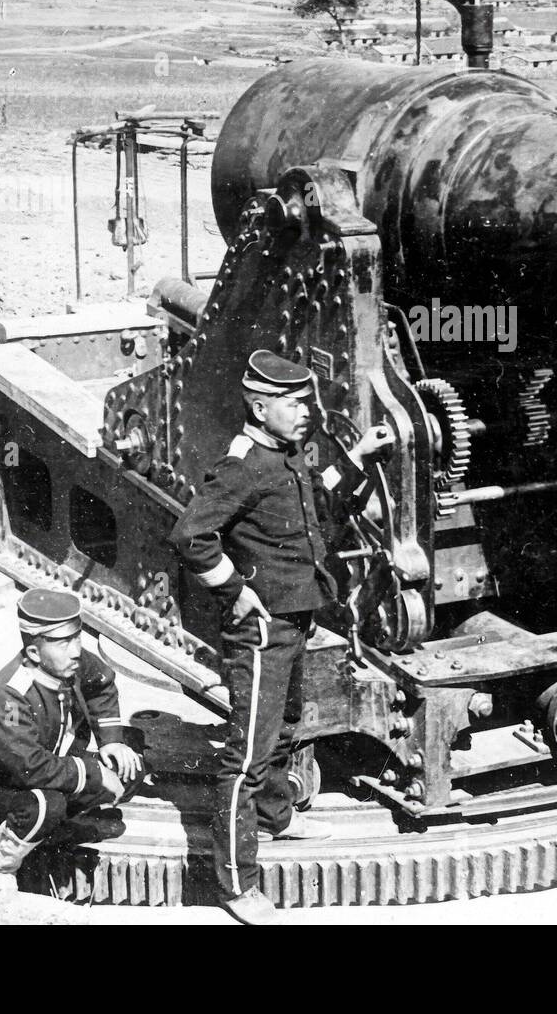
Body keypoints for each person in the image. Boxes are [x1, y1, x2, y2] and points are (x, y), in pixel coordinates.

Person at [170, 350, 392, 926]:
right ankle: (238, 884)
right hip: (264, 628)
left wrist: (360, 457)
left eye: (305, 402)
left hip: (297, 617)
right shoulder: (244, 465)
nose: (305, 413)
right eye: (294, 404)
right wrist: (234, 590)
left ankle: (274, 815)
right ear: (259, 405)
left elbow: (320, 501)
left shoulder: (285, 455)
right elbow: (191, 534)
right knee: (247, 753)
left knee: (285, 727)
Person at [0, 588, 144, 903]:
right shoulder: (8, 697)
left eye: (77, 638)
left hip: (49, 773)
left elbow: (102, 685)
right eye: (64, 642)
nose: (76, 650)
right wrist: (91, 772)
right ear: (35, 653)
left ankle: (51, 829)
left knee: (129, 765)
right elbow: (30, 767)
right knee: (44, 805)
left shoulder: (71, 663)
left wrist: (112, 742)